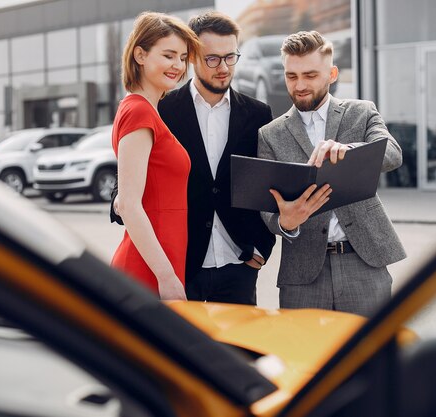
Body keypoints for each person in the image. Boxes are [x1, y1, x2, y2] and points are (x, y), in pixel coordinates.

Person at [111, 12, 276, 305]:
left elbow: (266, 185)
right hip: (181, 266)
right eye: (212, 58)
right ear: (195, 58)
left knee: (237, 352)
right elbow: (127, 189)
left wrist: (263, 246)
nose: (223, 67)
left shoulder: (258, 114)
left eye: (230, 57)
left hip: (239, 264)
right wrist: (126, 202)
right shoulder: (161, 109)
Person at [257, 31, 406, 316]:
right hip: (302, 272)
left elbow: (392, 154)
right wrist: (285, 222)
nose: (299, 85)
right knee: (304, 357)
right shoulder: (270, 134)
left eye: (310, 75)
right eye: (292, 76)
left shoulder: (360, 113)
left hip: (363, 261)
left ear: (332, 73)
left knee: (371, 355)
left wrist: (348, 149)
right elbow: (267, 210)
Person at [110, 12, 201, 300]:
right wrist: (167, 277)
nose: (178, 65)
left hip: (161, 262)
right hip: (148, 270)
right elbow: (128, 204)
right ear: (140, 54)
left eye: (183, 58)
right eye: (169, 55)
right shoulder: (138, 111)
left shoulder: (149, 111)